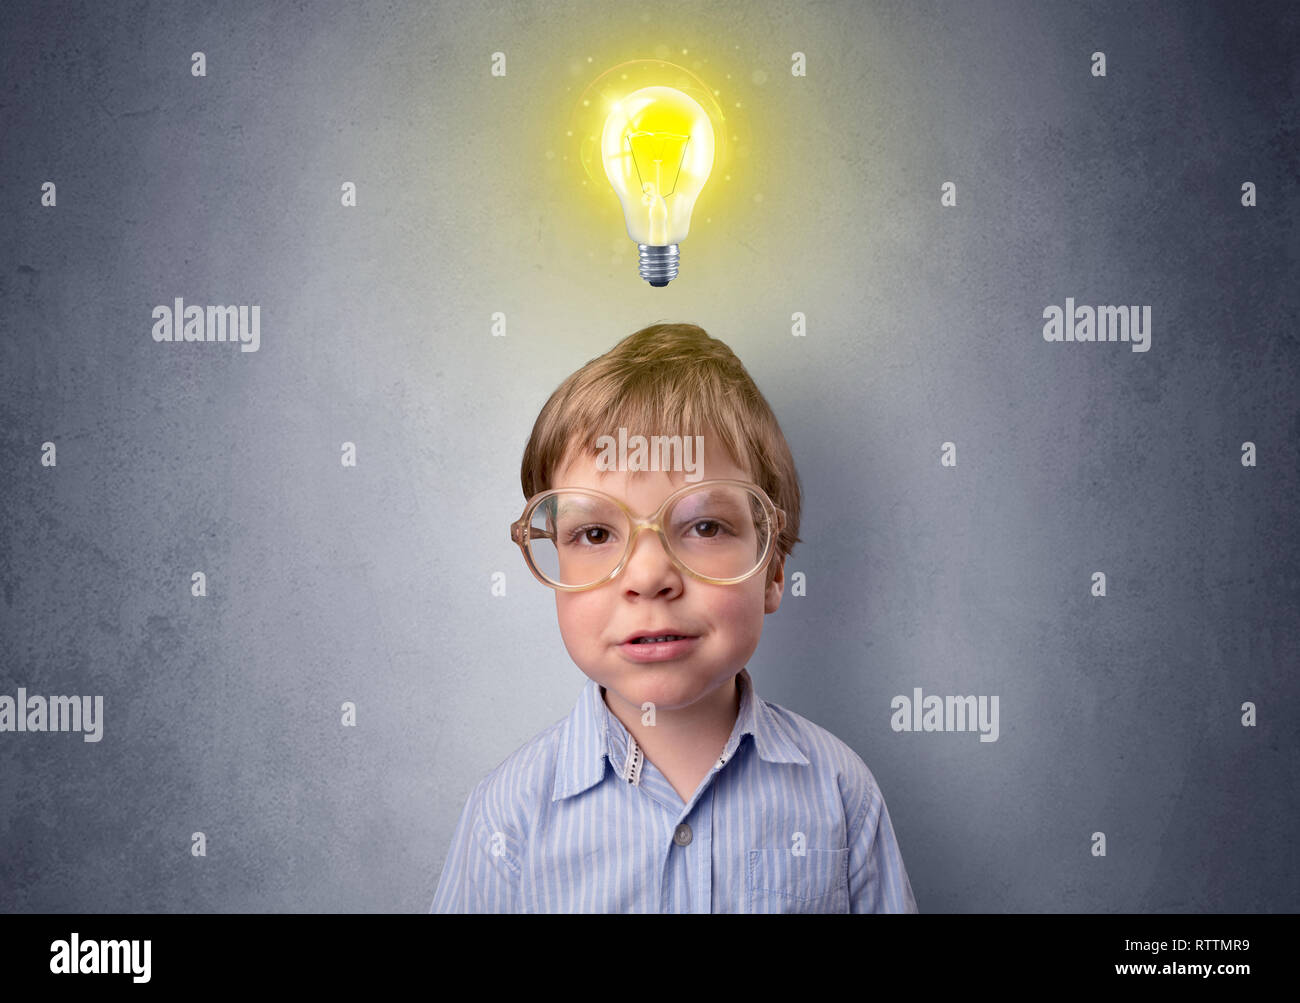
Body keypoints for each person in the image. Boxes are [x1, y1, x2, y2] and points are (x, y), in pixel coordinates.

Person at [429, 322, 918, 913]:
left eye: (705, 526)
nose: (647, 576)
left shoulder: (839, 793)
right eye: (595, 533)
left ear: (773, 568)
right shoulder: (507, 816)